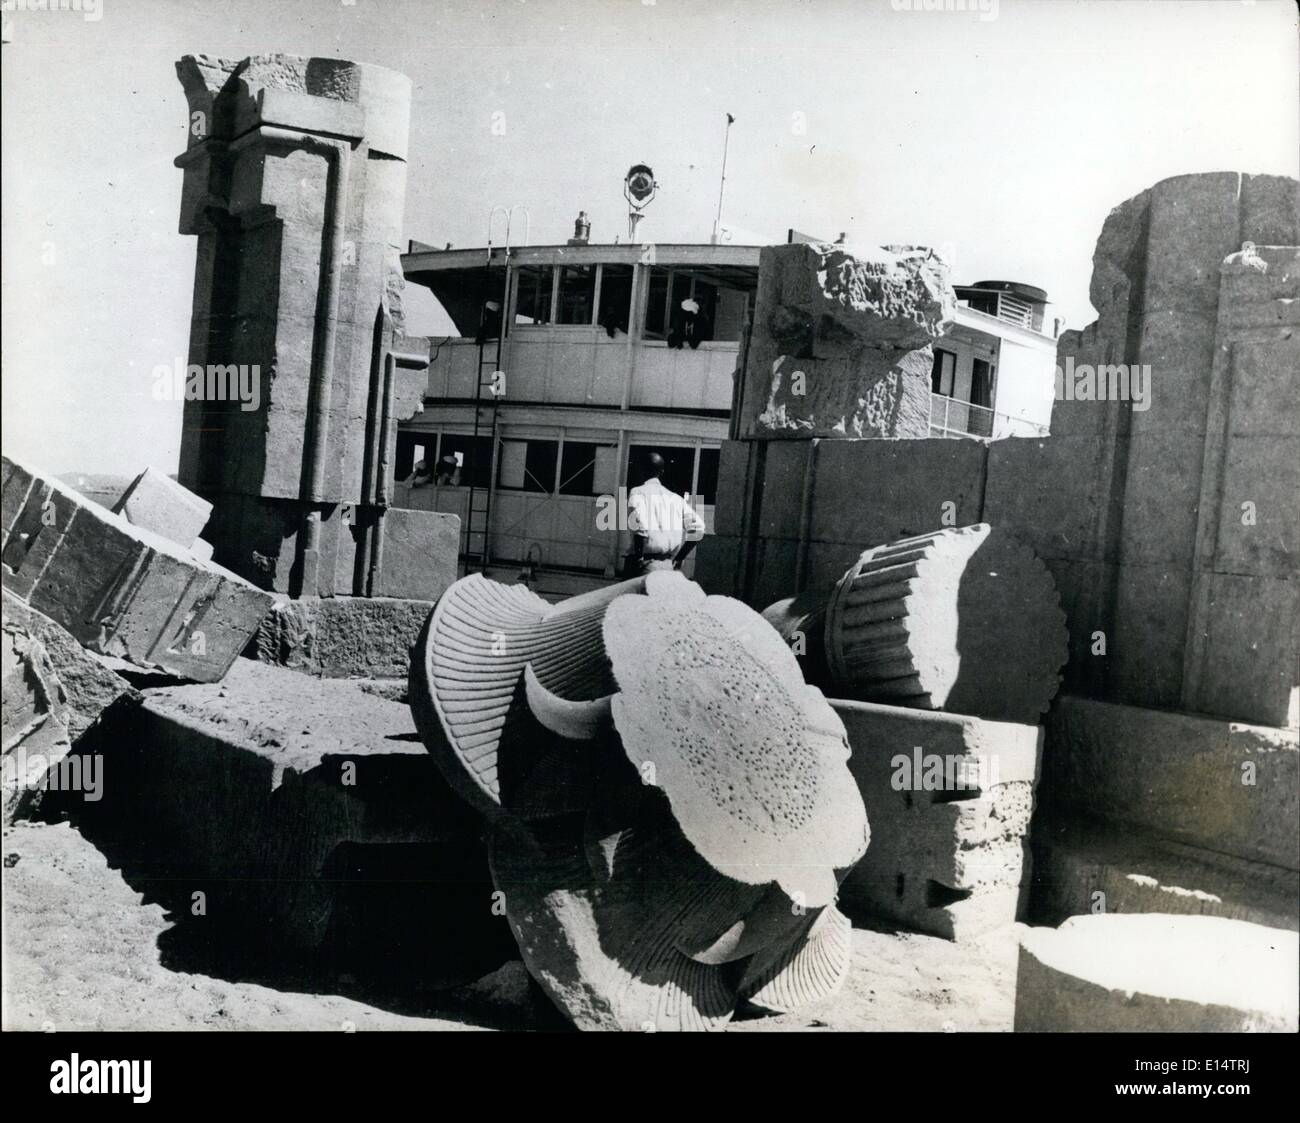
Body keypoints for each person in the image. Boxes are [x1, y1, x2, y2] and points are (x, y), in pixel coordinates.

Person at [625, 452, 705, 576]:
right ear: (661, 472)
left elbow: (638, 524)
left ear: (640, 470)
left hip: (645, 563)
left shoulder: (638, 492)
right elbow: (698, 528)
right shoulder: (676, 499)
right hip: (668, 566)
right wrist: (679, 558)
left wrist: (639, 558)